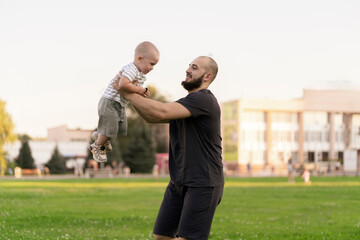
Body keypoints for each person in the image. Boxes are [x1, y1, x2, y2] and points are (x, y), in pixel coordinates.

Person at [113, 56, 224, 240]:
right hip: (179, 181)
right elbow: (152, 117)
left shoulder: (203, 100)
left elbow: (160, 111)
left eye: (194, 67)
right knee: (162, 235)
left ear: (207, 76)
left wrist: (126, 92)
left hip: (203, 182)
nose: (188, 70)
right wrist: (132, 95)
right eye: (188, 65)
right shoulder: (187, 103)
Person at [90, 41, 160, 162]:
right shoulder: (131, 69)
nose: (152, 68)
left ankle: (100, 135)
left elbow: (132, 89)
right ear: (139, 58)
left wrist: (140, 92)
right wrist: (138, 89)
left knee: (119, 128)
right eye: (151, 64)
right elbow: (123, 84)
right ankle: (97, 146)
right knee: (111, 128)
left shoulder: (140, 74)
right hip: (110, 101)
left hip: (119, 104)